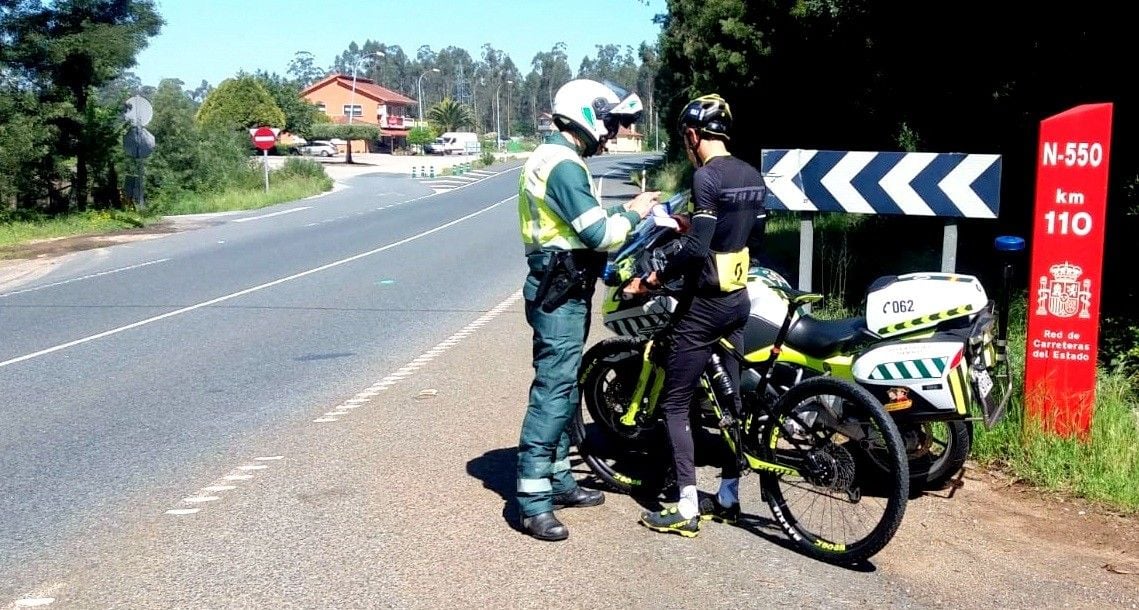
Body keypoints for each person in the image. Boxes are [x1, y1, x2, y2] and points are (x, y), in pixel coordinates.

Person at [516, 78, 661, 542]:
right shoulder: (562, 166)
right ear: (586, 114)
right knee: (553, 391)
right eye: (610, 122)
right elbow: (598, 234)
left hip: (566, 286)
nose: (613, 132)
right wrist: (637, 212)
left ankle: (558, 480)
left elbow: (583, 239)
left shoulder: (563, 158)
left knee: (565, 386)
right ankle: (532, 502)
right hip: (558, 293)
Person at [623, 93, 767, 537]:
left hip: (703, 307)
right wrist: (695, 226)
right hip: (739, 300)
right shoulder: (750, 174)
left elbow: (697, 249)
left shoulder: (706, 177)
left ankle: (686, 506)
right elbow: (748, 233)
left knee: (675, 402)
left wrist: (652, 278)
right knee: (732, 404)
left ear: (692, 135)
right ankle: (728, 495)